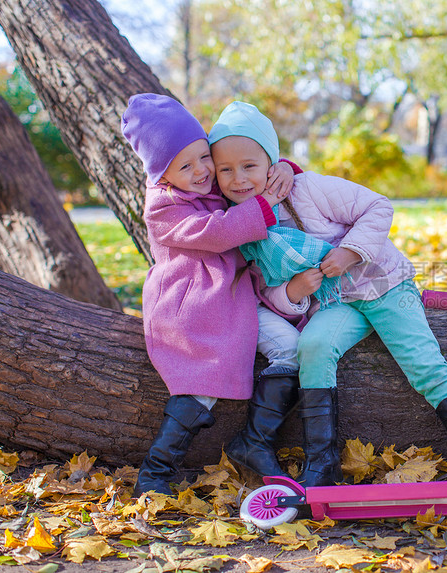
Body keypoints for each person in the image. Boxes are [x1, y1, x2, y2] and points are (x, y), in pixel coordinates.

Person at [208, 101, 447, 502]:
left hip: (385, 287)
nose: (238, 178)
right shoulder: (244, 225)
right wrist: (294, 292)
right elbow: (266, 290)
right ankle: (323, 462)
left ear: (271, 160)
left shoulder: (307, 188)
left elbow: (378, 206)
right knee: (313, 346)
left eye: (249, 165)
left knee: (424, 365)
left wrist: (351, 251)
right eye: (225, 170)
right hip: (337, 304)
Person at [121, 94, 304, 496]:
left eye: (204, 156)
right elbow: (218, 232)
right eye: (186, 166)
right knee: (201, 384)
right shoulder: (163, 205)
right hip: (191, 302)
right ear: (162, 173)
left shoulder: (208, 181)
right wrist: (267, 202)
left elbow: (244, 170)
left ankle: (254, 441)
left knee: (291, 347)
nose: (203, 171)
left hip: (234, 294)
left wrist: (284, 169)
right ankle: (155, 473)